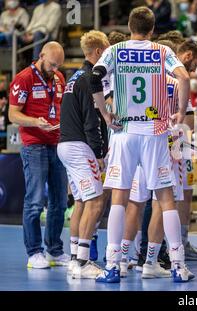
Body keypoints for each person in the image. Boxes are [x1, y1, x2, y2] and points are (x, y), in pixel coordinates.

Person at [90, 7, 193, 283]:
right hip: (155, 131)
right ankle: (178, 266)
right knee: (166, 198)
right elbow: (184, 77)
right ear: (152, 28)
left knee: (120, 198)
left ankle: (113, 265)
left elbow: (94, 77)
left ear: (128, 25)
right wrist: (181, 112)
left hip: (125, 131)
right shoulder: (162, 51)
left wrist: (104, 113)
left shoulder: (116, 50)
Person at [9, 41, 69, 269]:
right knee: (34, 201)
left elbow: (61, 106)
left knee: (60, 202)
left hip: (57, 144)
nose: (55, 69)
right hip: (34, 145)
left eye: (58, 66)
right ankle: (34, 252)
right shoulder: (24, 78)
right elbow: (13, 115)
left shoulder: (59, 78)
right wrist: (36, 122)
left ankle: (54, 250)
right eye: (52, 64)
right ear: (41, 55)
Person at [58, 30, 110, 279]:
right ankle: (82, 262)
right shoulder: (90, 78)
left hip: (66, 144)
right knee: (96, 201)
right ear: (99, 52)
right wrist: (99, 152)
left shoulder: (74, 76)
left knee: (81, 202)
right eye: (108, 50)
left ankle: (73, 258)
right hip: (79, 145)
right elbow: (92, 119)